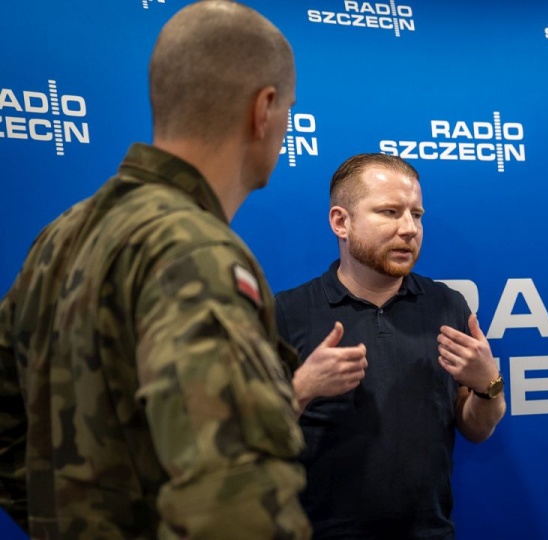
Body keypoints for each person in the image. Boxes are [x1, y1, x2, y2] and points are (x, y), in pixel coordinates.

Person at [0, 2, 335, 537]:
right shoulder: (193, 252)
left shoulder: (60, 235)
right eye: (289, 109)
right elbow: (236, 501)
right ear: (264, 108)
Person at [275, 153, 507, 539]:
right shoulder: (287, 313)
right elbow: (245, 441)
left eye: (416, 215)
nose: (409, 229)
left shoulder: (447, 305)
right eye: (389, 212)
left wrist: (488, 386)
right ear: (341, 222)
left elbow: (476, 430)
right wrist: (302, 390)